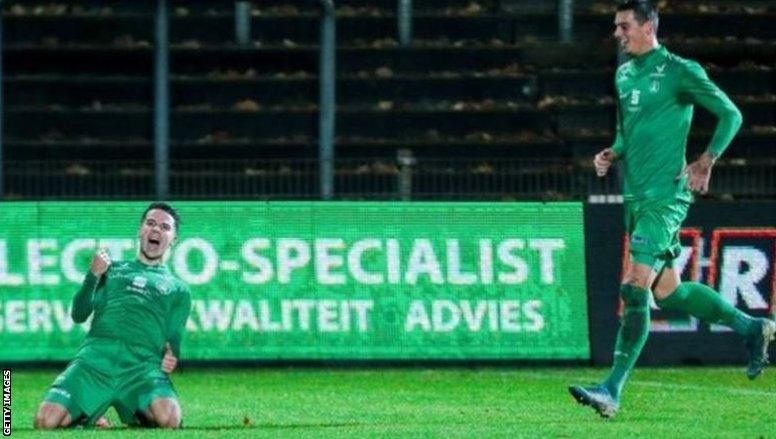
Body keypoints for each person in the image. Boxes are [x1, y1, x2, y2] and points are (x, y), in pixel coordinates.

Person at [569, 0, 776, 419]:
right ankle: (752, 327)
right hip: (636, 197)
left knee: (634, 285)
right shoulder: (623, 74)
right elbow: (626, 130)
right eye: (615, 27)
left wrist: (707, 159)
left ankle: (611, 389)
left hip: (666, 197)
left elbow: (730, 115)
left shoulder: (682, 70)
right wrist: (613, 152)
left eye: (624, 26)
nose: (618, 34)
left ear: (648, 26)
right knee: (669, 291)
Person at [34, 202, 192, 429]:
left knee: (170, 419)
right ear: (141, 230)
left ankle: (134, 411)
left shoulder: (179, 289)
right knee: (45, 422)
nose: (156, 229)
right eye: (150, 223)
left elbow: (174, 338)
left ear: (173, 240)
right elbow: (79, 314)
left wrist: (172, 353)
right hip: (94, 362)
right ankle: (88, 414)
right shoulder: (112, 270)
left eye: (165, 227)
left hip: (141, 368)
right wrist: (92, 275)